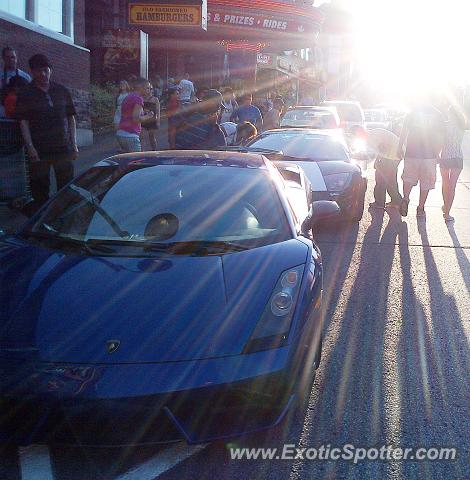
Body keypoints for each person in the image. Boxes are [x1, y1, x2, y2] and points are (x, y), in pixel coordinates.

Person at [15, 54, 78, 215]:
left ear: (51, 70)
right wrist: (30, 147)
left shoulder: (61, 90)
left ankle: (63, 217)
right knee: (40, 188)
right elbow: (23, 121)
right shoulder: (26, 93)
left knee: (66, 185)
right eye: (38, 71)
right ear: (32, 71)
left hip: (62, 146)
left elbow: (71, 118)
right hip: (39, 148)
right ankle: (42, 220)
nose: (43, 74)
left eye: (45, 70)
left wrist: (74, 144)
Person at [397, 96, 446, 217]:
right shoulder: (438, 115)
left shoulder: (413, 113)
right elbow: (441, 136)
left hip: (412, 152)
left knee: (408, 178)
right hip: (429, 155)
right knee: (426, 182)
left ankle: (406, 198)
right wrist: (438, 152)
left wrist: (399, 147)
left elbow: (404, 131)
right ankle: (420, 207)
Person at [439, 105, 466, 222]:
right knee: (452, 186)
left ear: (450, 113)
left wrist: (436, 154)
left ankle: (445, 206)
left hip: (445, 156)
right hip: (458, 157)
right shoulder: (462, 126)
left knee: (445, 183)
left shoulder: (444, 125)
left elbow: (440, 141)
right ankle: (447, 211)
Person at [367, 128, 403, 209]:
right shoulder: (374, 132)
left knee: (380, 179)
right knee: (391, 180)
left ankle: (379, 203)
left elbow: (382, 148)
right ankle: (397, 201)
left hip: (391, 155)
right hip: (397, 153)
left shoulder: (371, 137)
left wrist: (377, 161)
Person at [116, 77, 155, 153]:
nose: (149, 90)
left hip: (121, 133)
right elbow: (136, 119)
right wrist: (148, 116)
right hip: (130, 135)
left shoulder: (129, 96)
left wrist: (143, 112)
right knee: (136, 162)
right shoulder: (138, 99)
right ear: (140, 87)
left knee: (127, 162)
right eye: (147, 88)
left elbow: (129, 113)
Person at [141, 82, 161, 150]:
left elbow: (158, 111)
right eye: (146, 88)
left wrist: (158, 121)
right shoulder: (142, 98)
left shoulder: (155, 99)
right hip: (143, 119)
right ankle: (142, 152)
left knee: (151, 137)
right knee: (142, 137)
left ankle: (154, 151)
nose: (148, 90)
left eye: (149, 88)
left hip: (152, 120)